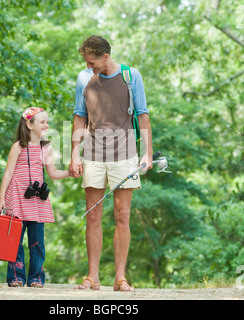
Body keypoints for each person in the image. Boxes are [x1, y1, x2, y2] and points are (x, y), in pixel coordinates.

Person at [70, 36, 153, 291]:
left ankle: (120, 278)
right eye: (86, 62)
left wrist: (146, 152)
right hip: (93, 154)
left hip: (125, 154)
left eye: (92, 62)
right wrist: (74, 153)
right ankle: (92, 276)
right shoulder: (84, 78)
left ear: (105, 56)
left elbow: (143, 115)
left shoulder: (131, 76)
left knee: (123, 216)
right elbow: (79, 117)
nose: (89, 66)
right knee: (93, 215)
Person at [0, 107, 69, 288]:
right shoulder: (18, 146)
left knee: (37, 242)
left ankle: (36, 278)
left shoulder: (47, 148)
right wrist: (1, 198)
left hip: (36, 201)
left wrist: (70, 173)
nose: (46, 125)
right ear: (29, 124)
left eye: (47, 121)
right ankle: (16, 277)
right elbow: (8, 173)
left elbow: (52, 173)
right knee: (15, 241)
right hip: (17, 198)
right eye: (42, 122)